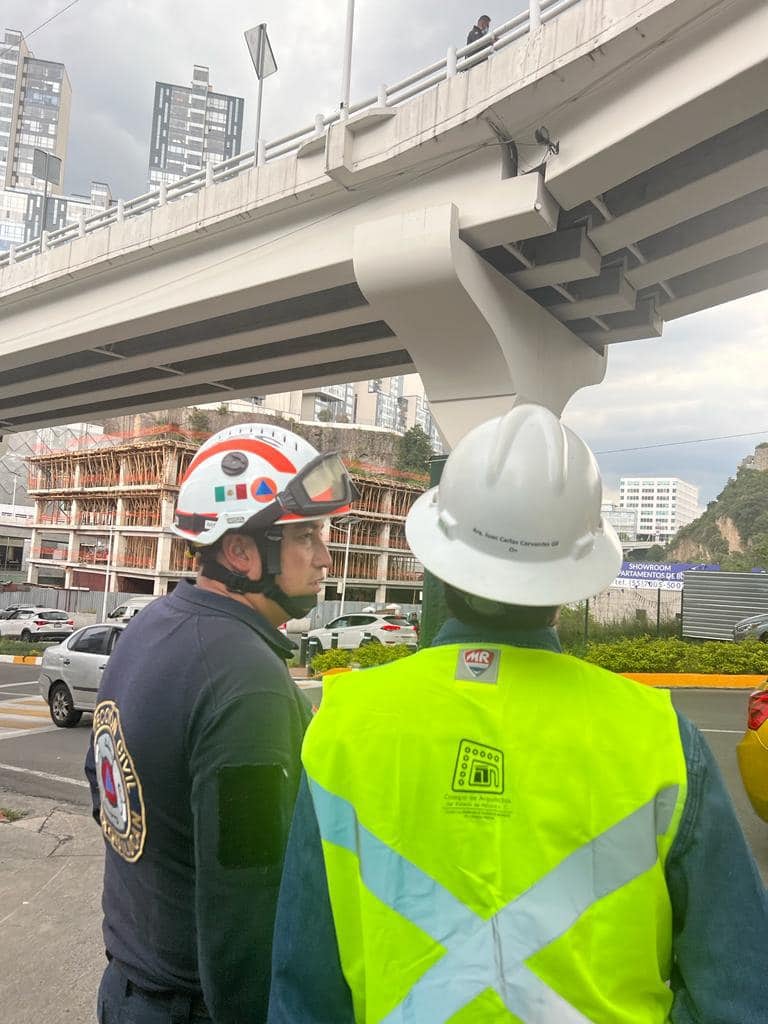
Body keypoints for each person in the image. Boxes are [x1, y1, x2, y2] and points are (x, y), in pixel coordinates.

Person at [268, 404, 768, 1024]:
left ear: (440, 562)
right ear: (572, 578)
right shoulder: (662, 737)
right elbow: (739, 989)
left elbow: (305, 990)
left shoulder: (344, 724)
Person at [85, 423, 356, 1024]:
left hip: (127, 982)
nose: (323, 555)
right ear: (239, 550)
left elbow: (105, 792)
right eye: (305, 535)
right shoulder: (245, 678)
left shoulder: (149, 627)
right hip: (196, 1005)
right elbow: (249, 900)